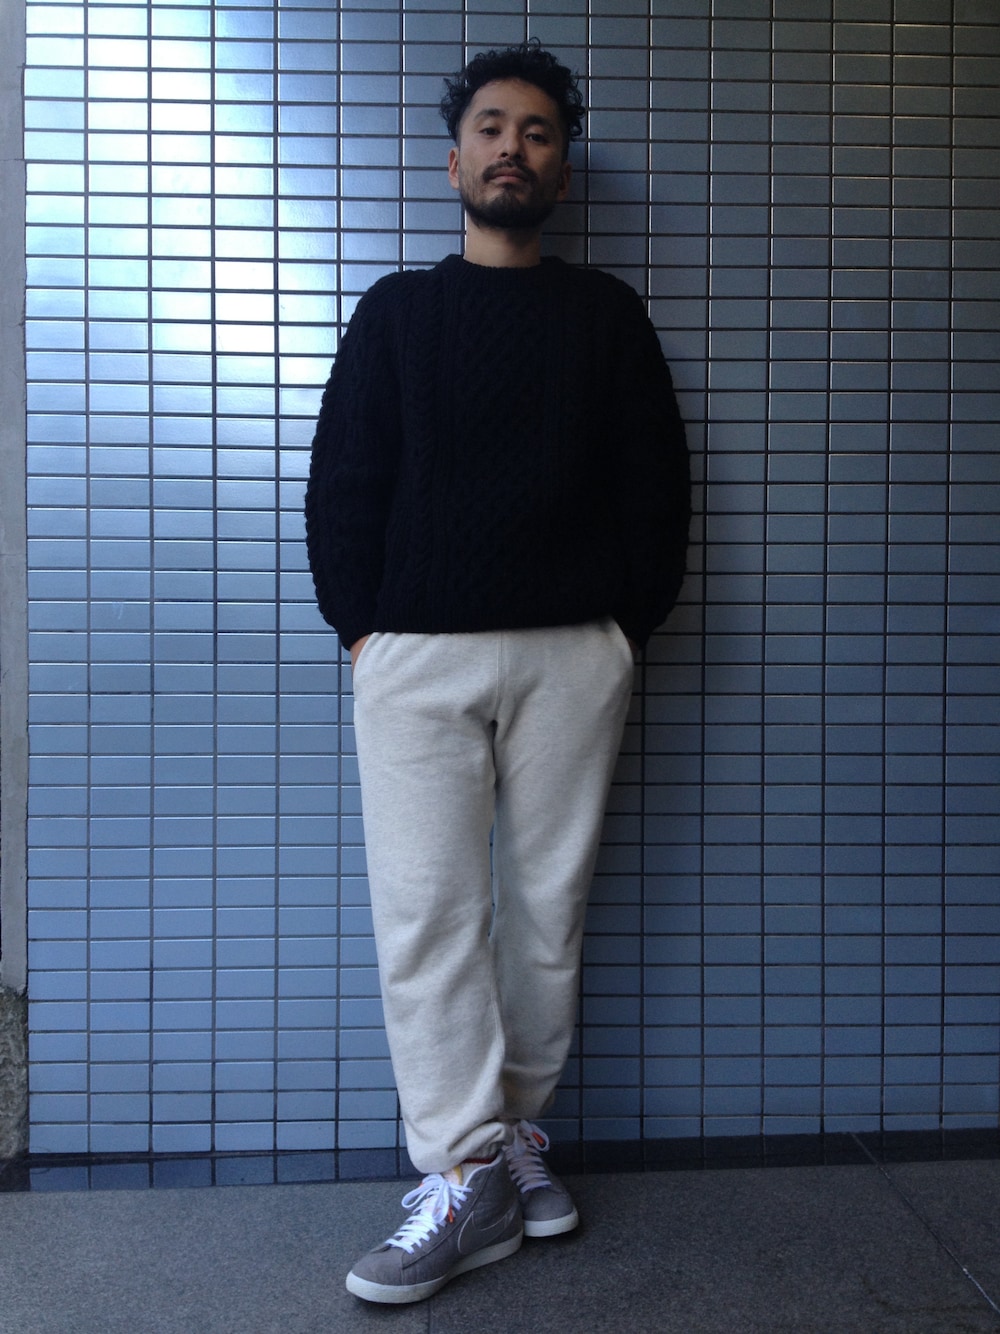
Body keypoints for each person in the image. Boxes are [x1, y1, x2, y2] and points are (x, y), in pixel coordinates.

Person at [305, 40, 690, 1305]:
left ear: (560, 172)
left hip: (573, 654)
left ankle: (513, 1139)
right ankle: (464, 1169)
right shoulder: (395, 314)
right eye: (489, 127)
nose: (510, 148)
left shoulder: (606, 316)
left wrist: (621, 629)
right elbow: (344, 479)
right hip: (416, 654)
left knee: (543, 910)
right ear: (453, 158)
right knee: (426, 912)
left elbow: (656, 483)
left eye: (535, 132)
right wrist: (363, 629)